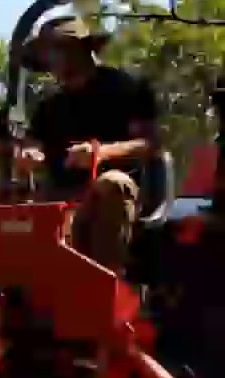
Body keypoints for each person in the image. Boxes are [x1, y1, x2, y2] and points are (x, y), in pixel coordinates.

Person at [15, 16, 161, 274]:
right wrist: (29, 155)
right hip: (61, 197)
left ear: (80, 48)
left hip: (116, 191)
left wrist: (101, 153)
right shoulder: (48, 108)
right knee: (13, 215)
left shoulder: (126, 89)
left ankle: (104, 283)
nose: (50, 59)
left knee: (111, 183)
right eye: (46, 52)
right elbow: (31, 146)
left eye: (56, 49)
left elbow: (149, 144)